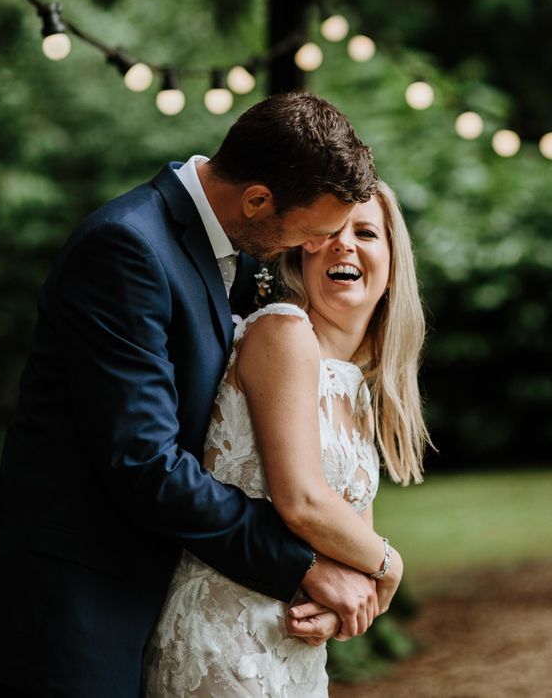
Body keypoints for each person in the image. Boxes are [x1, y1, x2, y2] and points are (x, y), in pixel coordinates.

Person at [0, 92, 382, 697]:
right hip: (70, 610)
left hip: (163, 602)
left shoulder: (230, 248)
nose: (303, 251)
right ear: (257, 200)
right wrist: (302, 567)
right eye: (304, 233)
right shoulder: (126, 247)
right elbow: (145, 463)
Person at [143, 181, 430, 696]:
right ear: (301, 254)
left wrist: (340, 607)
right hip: (228, 641)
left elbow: (348, 547)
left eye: (366, 232)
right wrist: (392, 565)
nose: (344, 244)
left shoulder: (355, 390)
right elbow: (302, 501)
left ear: (392, 266)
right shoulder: (283, 330)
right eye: (328, 233)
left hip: (294, 646)